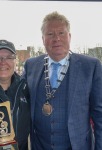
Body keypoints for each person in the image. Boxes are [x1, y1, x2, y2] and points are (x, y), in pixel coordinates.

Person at [22, 11, 102, 150]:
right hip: (39, 146)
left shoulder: (91, 66)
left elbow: (100, 114)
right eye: (50, 34)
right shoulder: (30, 66)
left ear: (69, 36)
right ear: (43, 39)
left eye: (61, 33)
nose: (56, 38)